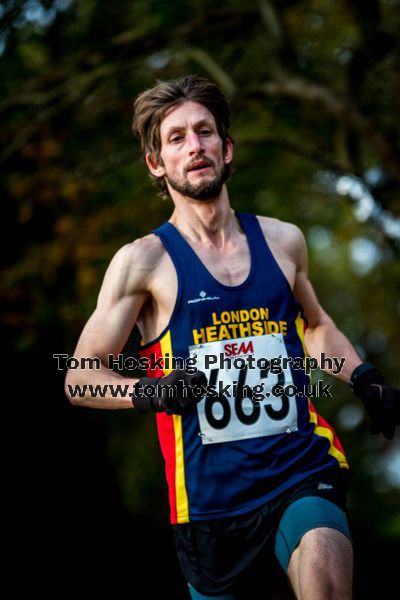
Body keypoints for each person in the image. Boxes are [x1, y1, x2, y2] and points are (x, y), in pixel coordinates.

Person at [65, 74, 399, 600]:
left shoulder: (284, 240)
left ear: (227, 147)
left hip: (299, 468)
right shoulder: (142, 262)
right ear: (157, 163)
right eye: (176, 138)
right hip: (208, 505)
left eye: (205, 132)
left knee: (327, 579)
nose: (194, 146)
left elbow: (314, 327)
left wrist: (364, 378)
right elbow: (80, 378)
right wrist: (149, 392)